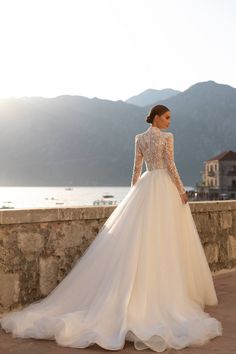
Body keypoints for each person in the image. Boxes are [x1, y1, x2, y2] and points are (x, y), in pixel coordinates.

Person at [0, 104, 222, 352]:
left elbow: (136, 170)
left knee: (141, 241)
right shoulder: (168, 138)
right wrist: (181, 190)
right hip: (163, 188)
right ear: (157, 117)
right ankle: (157, 296)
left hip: (145, 188)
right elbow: (170, 165)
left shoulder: (139, 138)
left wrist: (133, 197)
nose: (170, 121)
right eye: (167, 117)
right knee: (163, 241)